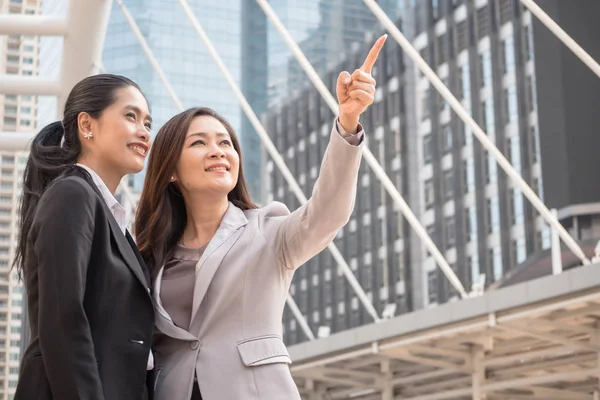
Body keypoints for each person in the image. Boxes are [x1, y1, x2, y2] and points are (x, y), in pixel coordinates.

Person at [135, 34, 387, 400]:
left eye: (225, 143)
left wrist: (347, 122)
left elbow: (328, 213)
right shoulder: (151, 254)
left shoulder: (268, 232)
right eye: (199, 142)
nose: (218, 151)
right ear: (170, 170)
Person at [14, 74, 155, 400]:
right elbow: (64, 322)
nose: (144, 131)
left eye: (148, 122)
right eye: (131, 116)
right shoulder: (72, 194)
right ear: (86, 125)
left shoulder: (111, 216)